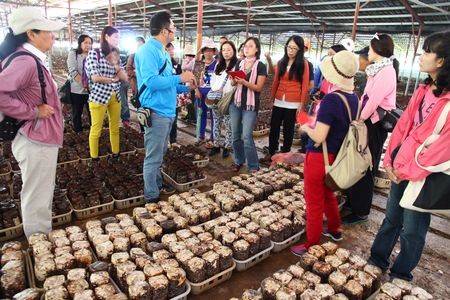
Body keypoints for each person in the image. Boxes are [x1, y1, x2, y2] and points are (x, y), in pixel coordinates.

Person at [368, 31, 450, 281]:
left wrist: (409, 170)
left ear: (442, 61)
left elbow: (444, 146)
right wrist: (390, 160)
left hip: (423, 175)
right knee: (392, 218)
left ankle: (401, 274)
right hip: (402, 168)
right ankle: (377, 260)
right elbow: (403, 126)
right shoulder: (423, 90)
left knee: (413, 229)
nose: (421, 56)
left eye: (427, 51)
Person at [0, 7, 64, 238]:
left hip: (38, 136)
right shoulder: (25, 62)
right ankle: (39, 245)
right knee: (37, 195)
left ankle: (40, 239)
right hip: (35, 138)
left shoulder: (31, 59)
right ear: (31, 33)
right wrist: (33, 111)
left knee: (40, 191)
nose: (53, 36)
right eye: (48, 31)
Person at [290, 50, 360, 255]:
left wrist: (305, 127)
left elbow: (319, 136)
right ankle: (335, 229)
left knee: (313, 201)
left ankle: (311, 243)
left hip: (319, 157)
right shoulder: (353, 97)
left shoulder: (331, 100)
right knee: (329, 193)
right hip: (336, 156)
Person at [134, 11, 196, 203]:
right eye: (173, 27)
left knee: (160, 153)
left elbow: (167, 82)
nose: (174, 29)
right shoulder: (147, 51)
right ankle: (151, 197)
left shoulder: (162, 50)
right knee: (153, 157)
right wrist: (180, 77)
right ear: (163, 31)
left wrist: (185, 86)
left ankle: (157, 183)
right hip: (156, 111)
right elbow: (152, 82)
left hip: (167, 111)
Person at [344, 34, 397, 225]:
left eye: (371, 48)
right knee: (357, 162)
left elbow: (373, 101)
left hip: (373, 125)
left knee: (366, 165)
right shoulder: (377, 70)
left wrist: (359, 119)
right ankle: (352, 201)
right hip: (367, 121)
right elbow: (366, 97)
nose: (368, 52)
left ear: (379, 50)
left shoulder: (386, 72)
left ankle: (361, 211)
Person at [260, 35, 310, 163]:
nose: (291, 50)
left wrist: (302, 103)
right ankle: (271, 152)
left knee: (288, 130)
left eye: (294, 48)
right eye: (289, 47)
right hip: (279, 100)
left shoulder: (303, 64)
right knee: (274, 127)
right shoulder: (281, 62)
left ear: (299, 50)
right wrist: (272, 98)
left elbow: (305, 85)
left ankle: (285, 154)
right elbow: (276, 81)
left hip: (293, 102)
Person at [85, 26, 128, 161]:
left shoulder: (116, 55)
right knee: (96, 129)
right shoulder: (94, 53)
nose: (117, 40)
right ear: (106, 37)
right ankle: (94, 158)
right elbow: (94, 77)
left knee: (115, 127)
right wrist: (112, 79)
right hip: (99, 96)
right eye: (115, 37)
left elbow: (122, 75)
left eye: (119, 37)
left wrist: (118, 69)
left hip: (115, 95)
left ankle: (116, 154)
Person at [230, 37, 267, 172]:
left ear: (257, 49)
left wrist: (244, 82)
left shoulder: (261, 66)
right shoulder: (239, 63)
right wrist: (233, 79)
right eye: (245, 46)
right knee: (235, 135)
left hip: (250, 106)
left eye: (250, 46)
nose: (246, 48)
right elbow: (233, 83)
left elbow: (258, 88)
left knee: (246, 136)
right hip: (236, 103)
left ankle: (253, 166)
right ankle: (239, 160)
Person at [208, 40, 238, 158]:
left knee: (228, 122)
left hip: (228, 98)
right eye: (224, 50)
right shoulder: (218, 64)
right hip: (216, 96)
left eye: (229, 50)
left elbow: (235, 83)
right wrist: (215, 89)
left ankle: (227, 146)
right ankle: (216, 144)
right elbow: (213, 79)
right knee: (216, 121)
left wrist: (225, 91)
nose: (226, 52)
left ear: (234, 51)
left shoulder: (237, 65)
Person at [67, 34, 92, 132]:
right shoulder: (74, 54)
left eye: (90, 43)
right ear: (80, 43)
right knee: (77, 112)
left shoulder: (93, 55)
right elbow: (73, 71)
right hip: (77, 89)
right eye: (85, 42)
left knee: (92, 112)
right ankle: (78, 131)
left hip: (92, 90)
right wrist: (85, 84)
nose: (88, 45)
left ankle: (93, 132)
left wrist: (90, 86)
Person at [195, 38, 217, 146]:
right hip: (201, 94)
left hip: (213, 95)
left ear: (214, 52)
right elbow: (194, 79)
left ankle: (213, 137)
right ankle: (201, 136)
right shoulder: (199, 64)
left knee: (214, 116)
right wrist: (196, 90)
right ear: (203, 51)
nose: (208, 53)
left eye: (211, 50)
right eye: (206, 50)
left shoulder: (217, 64)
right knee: (201, 114)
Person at [167, 42, 182, 145]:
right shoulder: (160, 63)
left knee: (174, 119)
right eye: (169, 49)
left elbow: (180, 80)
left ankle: (173, 140)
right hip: (164, 97)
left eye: (172, 49)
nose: (171, 51)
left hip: (174, 96)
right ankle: (164, 140)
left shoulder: (176, 65)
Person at [181, 44, 197, 123]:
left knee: (191, 100)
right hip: (187, 83)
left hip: (192, 83)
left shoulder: (193, 61)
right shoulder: (189, 61)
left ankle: (193, 117)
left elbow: (184, 67)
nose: (187, 57)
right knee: (187, 100)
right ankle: (188, 115)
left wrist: (186, 60)